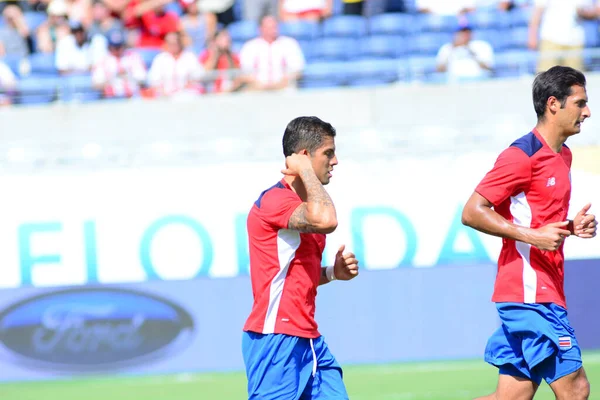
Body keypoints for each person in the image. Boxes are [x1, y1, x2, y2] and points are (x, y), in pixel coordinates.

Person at [461, 65, 597, 400]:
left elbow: (540, 218)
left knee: (511, 397)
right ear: (553, 104)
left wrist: (570, 227)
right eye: (580, 103)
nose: (588, 112)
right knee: (576, 388)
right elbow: (472, 212)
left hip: (542, 288)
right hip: (529, 294)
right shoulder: (521, 156)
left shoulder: (563, 155)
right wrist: (532, 236)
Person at [242, 116, 359, 400]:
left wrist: (332, 272)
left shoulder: (306, 207)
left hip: (308, 339)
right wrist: (306, 172)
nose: (335, 161)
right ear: (304, 157)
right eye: (328, 153)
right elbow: (327, 220)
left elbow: (294, 275)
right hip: (275, 338)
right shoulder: (275, 201)